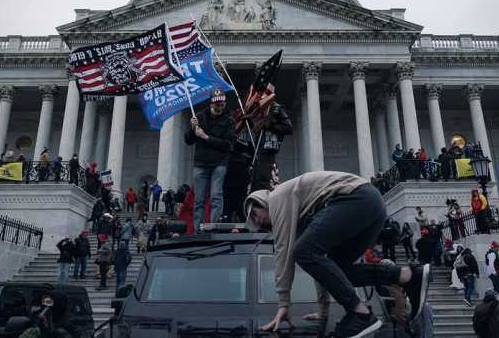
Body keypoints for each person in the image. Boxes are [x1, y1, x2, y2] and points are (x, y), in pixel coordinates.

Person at [244, 171, 431, 336]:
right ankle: (407, 275)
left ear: (261, 201)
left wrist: (283, 304)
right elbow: (321, 267)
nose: (258, 221)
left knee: (302, 251)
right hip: (371, 205)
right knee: (337, 269)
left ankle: (360, 313)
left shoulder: (277, 198)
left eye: (255, 214)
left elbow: (284, 253)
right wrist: (323, 309)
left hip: (357, 198)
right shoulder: (301, 214)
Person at [185, 89, 236, 231]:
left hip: (219, 163)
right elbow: (188, 140)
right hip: (201, 163)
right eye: (217, 105)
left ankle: (214, 227)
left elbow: (228, 145)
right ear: (211, 103)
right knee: (199, 200)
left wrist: (206, 137)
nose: (219, 107)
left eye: (222, 104)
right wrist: (192, 127)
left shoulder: (229, 121)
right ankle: (198, 230)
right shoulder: (199, 117)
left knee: (216, 195)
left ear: (225, 103)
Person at [248, 100, 293, 191]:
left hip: (268, 149)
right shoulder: (258, 110)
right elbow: (256, 129)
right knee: (255, 179)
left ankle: (263, 202)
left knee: (262, 179)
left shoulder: (276, 108)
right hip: (258, 149)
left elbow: (289, 128)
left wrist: (271, 125)